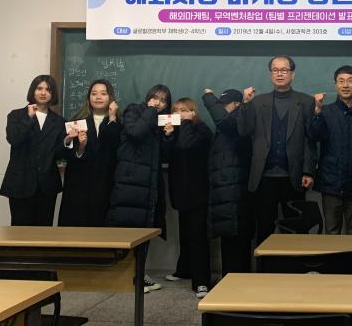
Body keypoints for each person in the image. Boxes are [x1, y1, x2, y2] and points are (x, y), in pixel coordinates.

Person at [237, 56, 316, 244]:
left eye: (284, 70)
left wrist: (308, 171)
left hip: (294, 176)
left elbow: (310, 139)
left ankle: (295, 263)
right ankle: (265, 263)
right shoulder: (257, 102)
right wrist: (245, 104)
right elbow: (244, 131)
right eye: (275, 70)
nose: (280, 74)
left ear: (292, 74)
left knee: (296, 229)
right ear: (270, 74)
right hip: (264, 176)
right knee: (264, 228)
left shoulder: (306, 101)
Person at [107, 84, 172, 293]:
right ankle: (125, 277)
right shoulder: (134, 110)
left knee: (145, 230)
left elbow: (165, 157)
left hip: (150, 185)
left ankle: (139, 274)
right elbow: (135, 132)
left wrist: (168, 136)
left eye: (163, 100)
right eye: (155, 98)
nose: (159, 103)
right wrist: (151, 110)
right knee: (125, 230)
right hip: (130, 182)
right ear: (148, 98)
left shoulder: (161, 121)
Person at [311, 65, 352, 235]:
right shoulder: (325, 112)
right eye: (341, 81)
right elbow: (315, 136)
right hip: (331, 182)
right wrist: (317, 112)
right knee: (332, 231)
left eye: (350, 81)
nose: (345, 85)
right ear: (335, 85)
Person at [0, 74, 68, 226]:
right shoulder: (16, 115)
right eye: (39, 88)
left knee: (44, 231)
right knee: (20, 231)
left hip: (47, 185)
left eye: (48, 90)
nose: (43, 93)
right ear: (33, 91)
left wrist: (67, 141)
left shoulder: (59, 121)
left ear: (53, 94)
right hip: (20, 183)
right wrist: (28, 119)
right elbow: (13, 139)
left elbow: (59, 155)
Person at [163, 98, 213, 298]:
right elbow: (165, 155)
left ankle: (202, 281)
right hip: (181, 192)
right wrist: (168, 136)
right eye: (176, 110)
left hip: (198, 192)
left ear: (193, 113)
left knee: (197, 237)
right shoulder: (174, 132)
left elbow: (186, 145)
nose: (179, 114)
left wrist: (185, 124)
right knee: (184, 233)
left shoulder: (202, 130)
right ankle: (184, 270)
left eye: (184, 110)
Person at [203, 88, 253, 276]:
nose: (222, 108)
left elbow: (224, 121)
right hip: (227, 193)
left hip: (235, 193)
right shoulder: (230, 122)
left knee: (236, 241)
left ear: (237, 104)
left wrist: (209, 98)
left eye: (225, 105)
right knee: (230, 240)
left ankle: (235, 283)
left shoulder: (239, 119)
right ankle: (231, 281)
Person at [58, 79, 121, 227]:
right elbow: (63, 154)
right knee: (76, 232)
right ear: (88, 98)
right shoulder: (77, 122)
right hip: (79, 187)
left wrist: (112, 117)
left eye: (103, 93)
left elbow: (115, 148)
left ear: (111, 98)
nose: (98, 97)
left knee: (103, 231)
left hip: (107, 185)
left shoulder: (120, 122)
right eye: (94, 94)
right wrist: (81, 147)